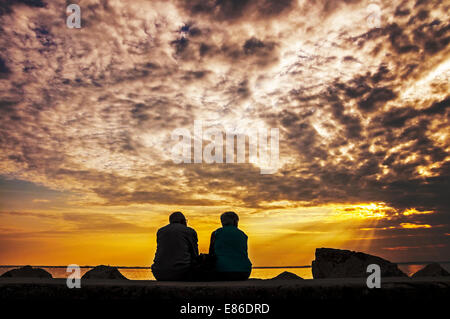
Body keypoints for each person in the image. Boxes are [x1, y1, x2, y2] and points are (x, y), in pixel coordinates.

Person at [151, 212, 198, 281]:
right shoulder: (189, 231)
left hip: (159, 273)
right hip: (181, 273)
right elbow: (195, 254)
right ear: (183, 221)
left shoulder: (160, 231)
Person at [209, 211, 252, 280]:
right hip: (244, 272)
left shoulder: (216, 233)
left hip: (222, 272)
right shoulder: (243, 234)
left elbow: (211, 253)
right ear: (235, 221)